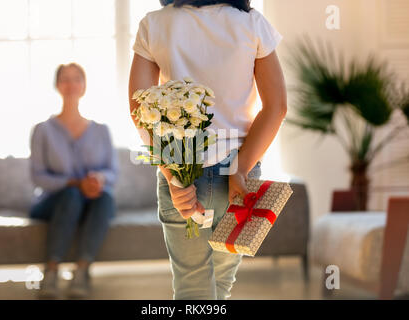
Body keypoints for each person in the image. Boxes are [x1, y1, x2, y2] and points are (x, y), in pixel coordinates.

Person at [129, 0, 287, 299]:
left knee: (192, 290)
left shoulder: (154, 24)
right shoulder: (252, 24)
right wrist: (239, 169)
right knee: (220, 288)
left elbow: (139, 108)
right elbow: (276, 107)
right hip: (239, 178)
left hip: (183, 173)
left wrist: (174, 178)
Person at [29, 62, 119, 299]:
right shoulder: (43, 130)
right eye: (65, 79)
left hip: (93, 200)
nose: (70, 84)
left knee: (106, 197)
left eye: (76, 78)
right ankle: (51, 271)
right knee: (71, 196)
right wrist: (75, 184)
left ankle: (82, 270)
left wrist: (98, 179)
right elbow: (37, 177)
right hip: (53, 202)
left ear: (84, 86)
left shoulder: (101, 130)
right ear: (57, 85)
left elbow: (112, 172)